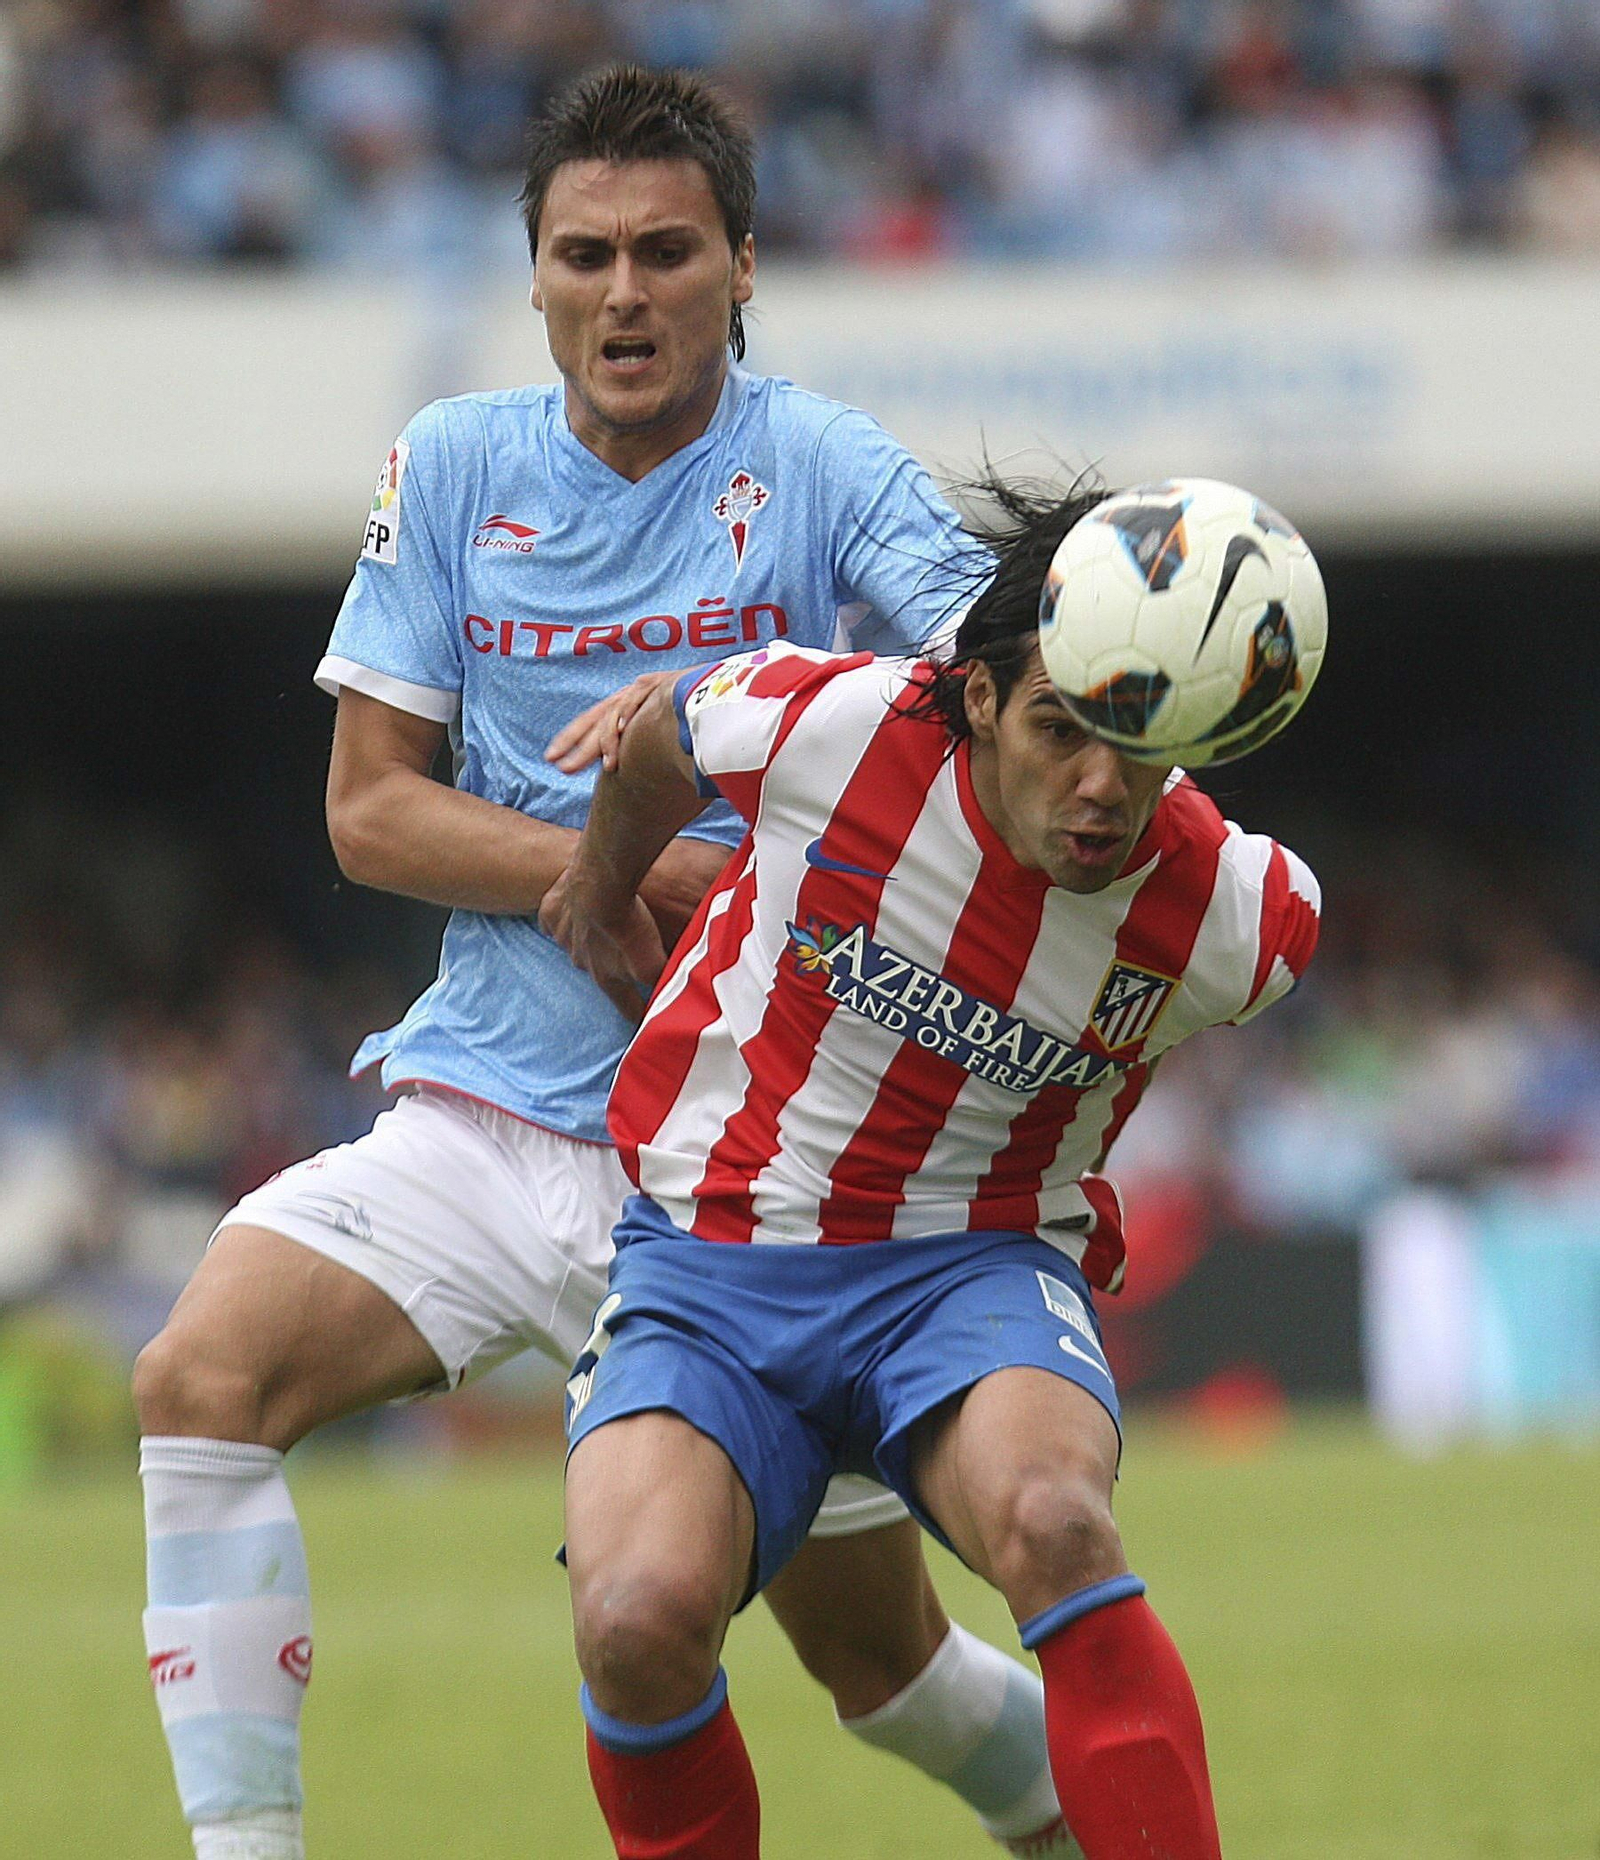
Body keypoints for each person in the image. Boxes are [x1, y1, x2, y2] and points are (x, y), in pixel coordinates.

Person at [131, 65, 1076, 1860]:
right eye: (584, 257)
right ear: (538, 277)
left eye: (664, 252)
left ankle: (1095, 1818)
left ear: (741, 268)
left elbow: (979, 688)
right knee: (199, 1378)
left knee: (888, 1675)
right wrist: (605, 867)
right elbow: (369, 815)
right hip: (488, 1113)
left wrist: (1085, 671)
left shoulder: (818, 462)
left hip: (747, 1179)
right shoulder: (457, 462)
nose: (622, 293)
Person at [543, 474, 1323, 1859]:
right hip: (715, 1259)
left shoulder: (1237, 919)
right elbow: (659, 735)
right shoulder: (827, 725)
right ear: (975, 700)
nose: (1100, 788)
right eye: (1058, 729)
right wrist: (603, 888)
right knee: (635, 1623)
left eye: (1139, 745)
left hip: (973, 1265)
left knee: (1058, 1520)